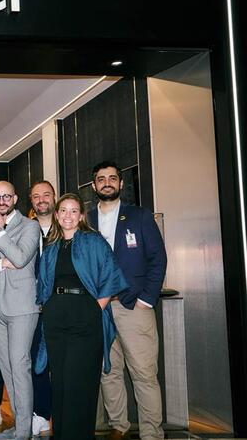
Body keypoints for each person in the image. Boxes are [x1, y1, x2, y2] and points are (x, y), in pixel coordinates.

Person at [87, 161, 168, 440]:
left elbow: (158, 260)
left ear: (121, 184)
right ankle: (118, 427)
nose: (106, 182)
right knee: (109, 373)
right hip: (101, 308)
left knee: (144, 374)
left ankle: (151, 434)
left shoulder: (140, 216)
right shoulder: (87, 220)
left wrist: (147, 298)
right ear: (94, 186)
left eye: (112, 178)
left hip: (134, 307)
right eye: (101, 179)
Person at [37, 193, 128, 440]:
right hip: (56, 318)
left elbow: (111, 276)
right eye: (63, 211)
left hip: (85, 316)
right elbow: (44, 286)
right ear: (56, 215)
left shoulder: (94, 241)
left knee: (80, 382)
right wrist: (48, 311)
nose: (68, 215)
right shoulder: (52, 246)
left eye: (73, 210)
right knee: (61, 383)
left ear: (81, 215)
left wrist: (94, 310)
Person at [0, 181, 41, 440]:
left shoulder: (30, 226)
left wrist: (1, 234)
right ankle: (18, 425)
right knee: (5, 367)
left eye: (6, 196)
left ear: (15, 198)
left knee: (19, 365)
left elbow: (22, 257)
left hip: (22, 307)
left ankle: (24, 432)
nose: (1, 200)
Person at [27, 180, 57, 436]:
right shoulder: (28, 229)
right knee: (37, 362)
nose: (41, 200)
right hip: (34, 307)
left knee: (63, 363)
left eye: (46, 195)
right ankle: (40, 413)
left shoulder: (67, 226)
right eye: (36, 196)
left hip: (63, 306)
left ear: (54, 197)